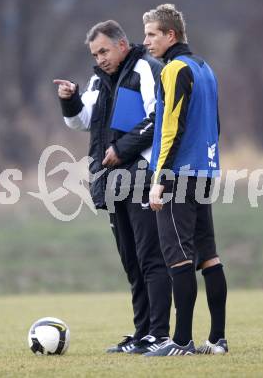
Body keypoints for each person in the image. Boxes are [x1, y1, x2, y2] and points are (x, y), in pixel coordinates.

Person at [53, 20, 172, 354]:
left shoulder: (146, 69)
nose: (100, 58)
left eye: (104, 50)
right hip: (113, 182)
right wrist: (71, 99)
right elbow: (81, 121)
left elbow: (159, 117)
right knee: (131, 261)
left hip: (142, 178)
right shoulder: (97, 80)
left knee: (151, 258)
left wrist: (122, 149)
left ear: (121, 45)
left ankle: (159, 334)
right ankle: (141, 333)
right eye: (94, 53)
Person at [142, 4, 228, 356]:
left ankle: (180, 341)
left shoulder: (175, 69)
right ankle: (217, 339)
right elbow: (216, 125)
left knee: (178, 257)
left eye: (152, 34)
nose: (146, 41)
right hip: (205, 171)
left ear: (170, 35)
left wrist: (160, 179)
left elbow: (171, 128)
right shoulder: (205, 68)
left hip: (179, 175)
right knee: (208, 257)